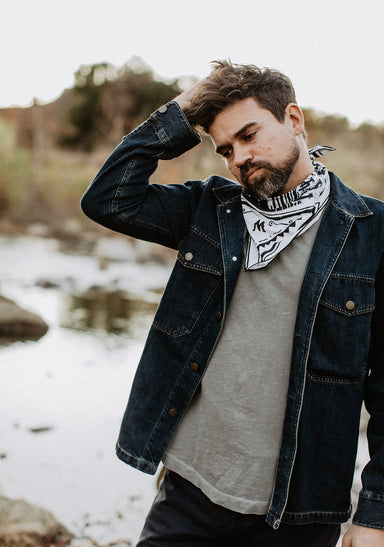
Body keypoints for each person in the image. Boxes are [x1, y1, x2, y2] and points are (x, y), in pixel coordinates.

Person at [81, 61, 384, 546]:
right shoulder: (210, 211)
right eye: (226, 149)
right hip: (189, 495)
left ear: (294, 119)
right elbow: (108, 199)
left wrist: (375, 515)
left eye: (249, 134)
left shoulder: (372, 231)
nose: (239, 158)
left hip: (299, 512)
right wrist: (182, 111)